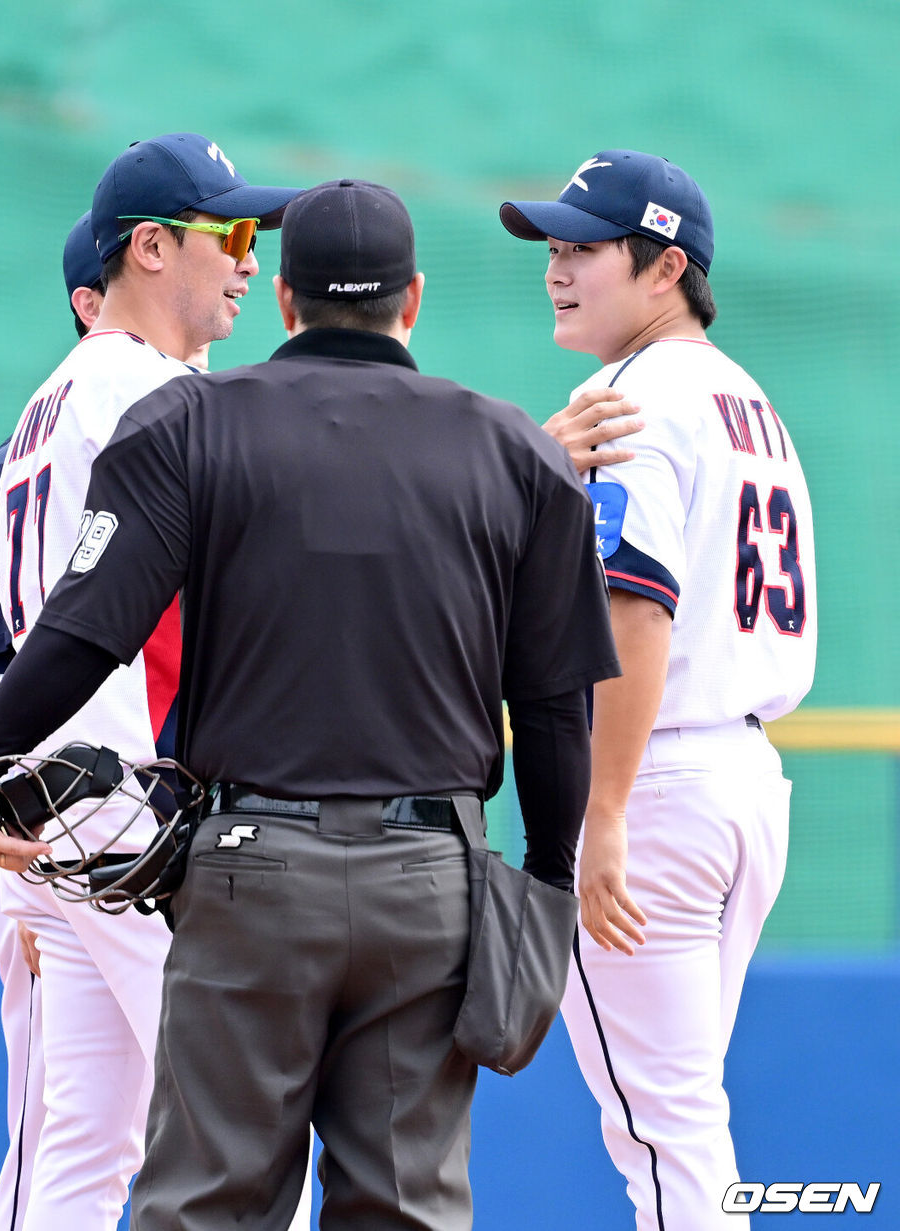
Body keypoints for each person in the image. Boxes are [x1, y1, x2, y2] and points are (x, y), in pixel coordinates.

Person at [0, 179, 620, 1231]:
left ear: (287, 300)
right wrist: (549, 880)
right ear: (413, 299)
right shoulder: (518, 452)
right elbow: (551, 709)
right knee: (404, 1207)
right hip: (429, 876)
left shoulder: (190, 419)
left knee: (206, 1200)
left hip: (248, 868)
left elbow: (86, 630)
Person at [0, 134, 301, 1231]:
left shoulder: (58, 396)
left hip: (51, 804)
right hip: (128, 810)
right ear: (150, 247)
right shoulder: (147, 391)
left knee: (83, 1148)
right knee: (250, 1134)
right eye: (229, 234)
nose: (249, 260)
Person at [500, 149, 817, 1229]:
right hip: (743, 785)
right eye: (553, 247)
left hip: (656, 786)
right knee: (682, 1123)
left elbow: (635, 609)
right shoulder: (746, 398)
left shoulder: (627, 398)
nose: (557, 268)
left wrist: (604, 812)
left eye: (584, 248)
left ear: (667, 267)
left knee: (663, 1134)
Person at [0, 210, 106, 1231]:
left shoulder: (114, 434)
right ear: (91, 300)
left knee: (81, 1146)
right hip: (50, 832)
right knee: (66, 1145)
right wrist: (38, 885)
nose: (240, 265)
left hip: (81, 831)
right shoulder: (31, 464)